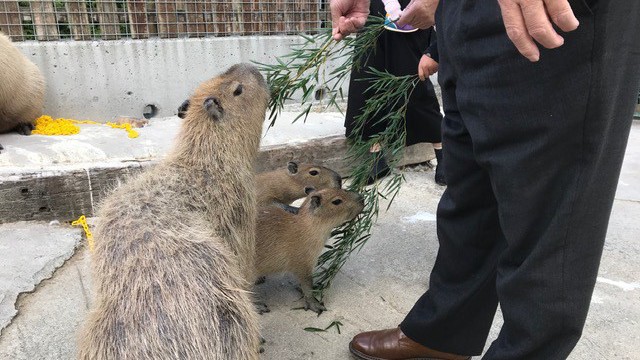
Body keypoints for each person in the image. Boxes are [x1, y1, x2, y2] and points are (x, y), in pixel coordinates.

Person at [331, 0, 640, 359]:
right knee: (470, 188)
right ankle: (444, 333)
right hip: (464, 15)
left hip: (551, 15)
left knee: (549, 210)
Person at [344, 0, 445, 185]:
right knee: (369, 79)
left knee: (413, 82)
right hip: (374, 9)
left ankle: (443, 154)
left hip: (409, 9)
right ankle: (377, 157)